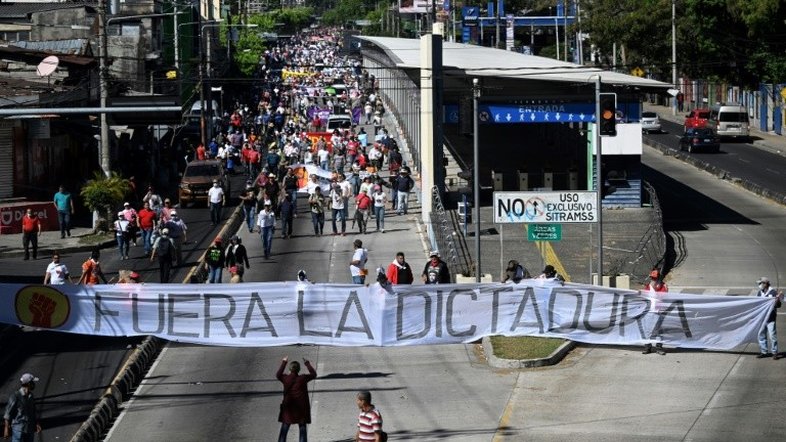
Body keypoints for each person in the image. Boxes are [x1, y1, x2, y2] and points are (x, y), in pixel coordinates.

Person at [276, 356, 317, 442]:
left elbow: (278, 375)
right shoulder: (302, 378)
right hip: (301, 410)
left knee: (284, 429)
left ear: (290, 370)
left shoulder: (286, 379)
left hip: (288, 409)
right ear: (298, 370)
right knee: (302, 429)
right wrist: (307, 363)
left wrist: (284, 362)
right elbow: (314, 374)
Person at [3, 373, 42, 442]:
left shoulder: (31, 396)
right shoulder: (15, 396)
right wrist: (6, 429)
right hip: (18, 430)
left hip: (29, 429)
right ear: (29, 384)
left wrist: (37, 423)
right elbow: (7, 413)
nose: (34, 384)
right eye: (33, 382)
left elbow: (33, 411)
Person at [642, 269, 668, 355]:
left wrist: (656, 289)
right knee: (647, 329)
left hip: (659, 311)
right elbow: (644, 296)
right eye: (652, 278)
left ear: (659, 278)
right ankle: (647, 346)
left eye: (655, 278)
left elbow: (663, 296)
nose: (653, 280)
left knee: (659, 330)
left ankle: (659, 347)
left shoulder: (663, 286)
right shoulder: (648, 286)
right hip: (649, 311)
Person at [756, 276, 782, 359]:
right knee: (762, 335)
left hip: (771, 318)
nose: (760, 285)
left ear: (765, 283)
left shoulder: (773, 292)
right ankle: (764, 352)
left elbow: (778, 305)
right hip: (762, 318)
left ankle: (774, 352)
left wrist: (777, 299)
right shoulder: (759, 293)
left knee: (772, 336)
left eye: (761, 283)